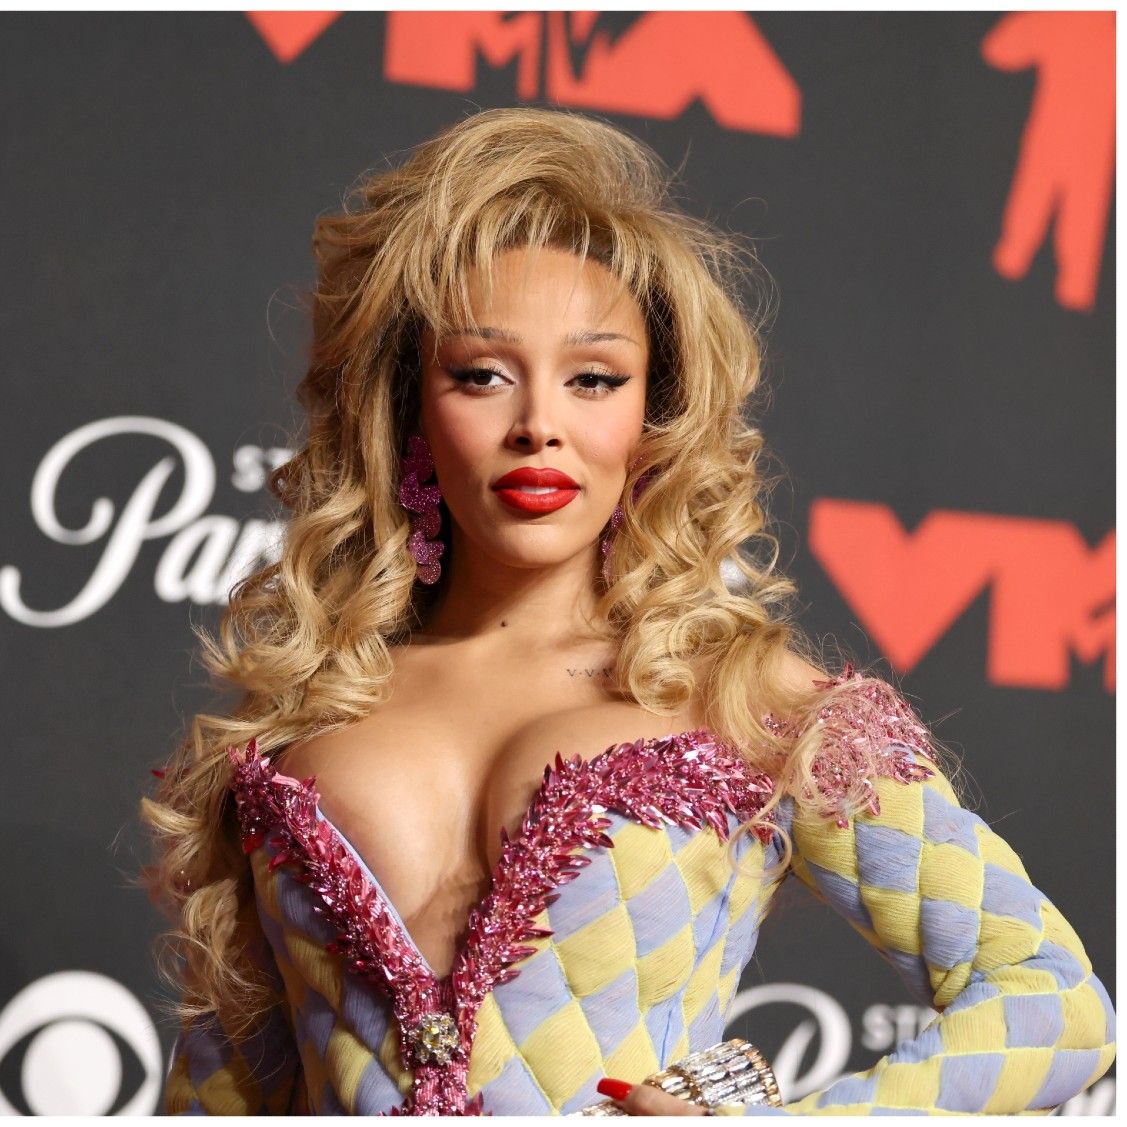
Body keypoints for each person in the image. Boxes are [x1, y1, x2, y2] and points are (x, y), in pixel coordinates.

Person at [140, 107, 1114, 1116]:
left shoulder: (749, 700)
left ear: (650, 419)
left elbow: (1053, 1000)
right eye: (480, 374)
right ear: (409, 410)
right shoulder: (301, 717)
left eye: (592, 378)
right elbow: (218, 1093)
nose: (538, 426)